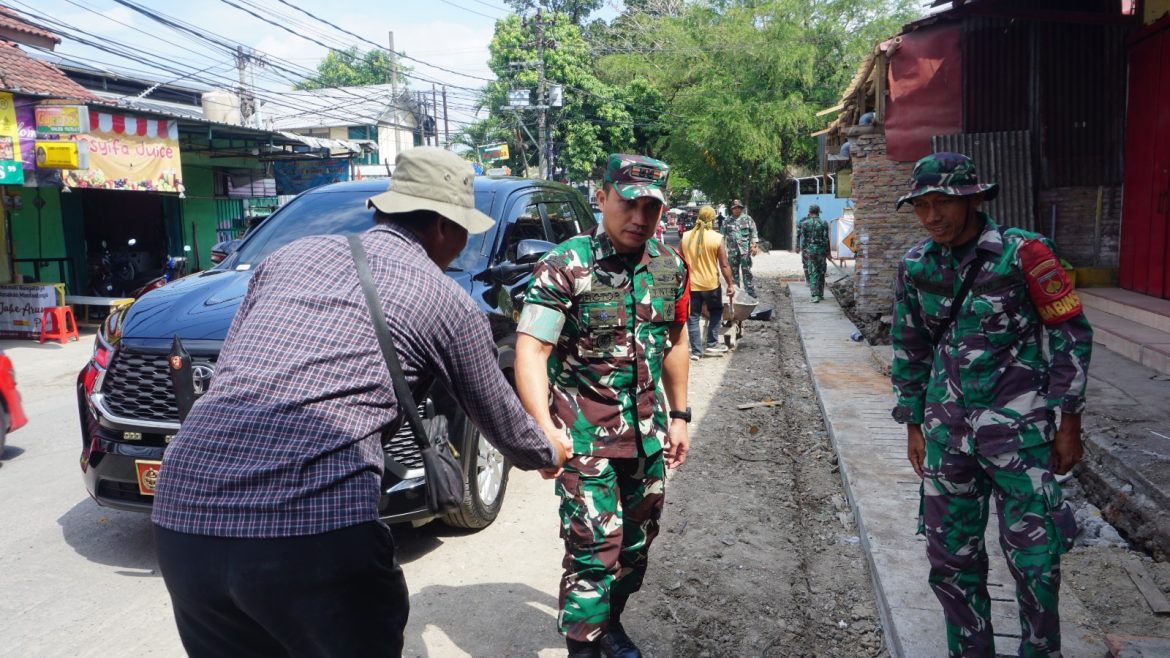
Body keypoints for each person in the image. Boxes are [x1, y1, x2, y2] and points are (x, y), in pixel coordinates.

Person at [151, 147, 570, 658]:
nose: (462, 247)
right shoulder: (447, 301)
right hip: (312, 533)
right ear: (442, 225)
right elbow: (504, 425)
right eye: (465, 230)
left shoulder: (286, 258)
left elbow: (230, 371)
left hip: (182, 520)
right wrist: (550, 449)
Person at [890, 152, 1093, 658]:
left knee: (1036, 560)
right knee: (950, 559)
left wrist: (1070, 421)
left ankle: (1040, 651)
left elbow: (1070, 335)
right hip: (946, 437)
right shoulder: (916, 265)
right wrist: (913, 423)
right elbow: (909, 346)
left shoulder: (1025, 253)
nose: (933, 215)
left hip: (1020, 437)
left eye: (944, 203)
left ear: (975, 199)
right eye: (923, 206)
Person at [514, 153, 692, 658]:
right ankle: (585, 645)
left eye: (651, 208)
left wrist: (680, 416)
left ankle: (608, 623)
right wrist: (543, 424)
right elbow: (533, 347)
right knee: (596, 547)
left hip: (647, 434)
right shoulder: (567, 264)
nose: (639, 218)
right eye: (627, 203)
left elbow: (676, 340)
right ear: (602, 199)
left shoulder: (670, 264)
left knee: (634, 547)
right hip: (584, 435)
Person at [681, 205, 735, 359]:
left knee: (693, 316)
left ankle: (696, 351)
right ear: (712, 219)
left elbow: (679, 262)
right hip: (711, 284)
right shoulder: (717, 238)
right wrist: (730, 284)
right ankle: (712, 344)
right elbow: (724, 265)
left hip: (691, 284)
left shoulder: (686, 236)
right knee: (716, 311)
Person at [722, 199, 759, 298]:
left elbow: (754, 233)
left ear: (741, 208)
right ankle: (735, 291)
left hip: (745, 252)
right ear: (732, 209)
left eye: (739, 208)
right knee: (733, 273)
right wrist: (721, 251)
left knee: (747, 271)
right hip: (732, 252)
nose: (737, 210)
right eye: (735, 208)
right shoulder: (726, 221)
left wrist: (754, 245)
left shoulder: (748, 219)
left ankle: (750, 291)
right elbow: (722, 236)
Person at [796, 204, 830, 302]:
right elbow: (826, 239)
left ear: (810, 212)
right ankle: (821, 294)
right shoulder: (824, 223)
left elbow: (803, 239)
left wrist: (801, 248)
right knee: (821, 271)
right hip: (821, 251)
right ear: (818, 212)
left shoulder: (805, 223)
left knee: (812, 271)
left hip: (810, 251)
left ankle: (815, 295)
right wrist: (828, 253)